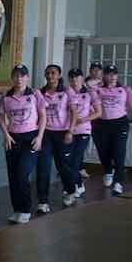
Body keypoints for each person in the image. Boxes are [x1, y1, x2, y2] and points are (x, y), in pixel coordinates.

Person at [0, 64, 45, 224]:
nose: (19, 79)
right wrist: (5, 135)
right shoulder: (6, 96)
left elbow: (43, 116)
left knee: (22, 174)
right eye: (16, 75)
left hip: (30, 137)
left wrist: (39, 137)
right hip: (12, 138)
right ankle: (17, 209)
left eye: (22, 75)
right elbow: (1, 118)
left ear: (27, 77)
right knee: (13, 176)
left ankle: (26, 209)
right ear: (12, 78)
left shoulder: (35, 94)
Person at [92, 63, 132, 194]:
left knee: (119, 153)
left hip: (120, 124)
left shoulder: (125, 89)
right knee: (104, 153)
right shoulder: (97, 89)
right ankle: (108, 171)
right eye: (109, 74)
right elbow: (88, 88)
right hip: (101, 124)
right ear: (104, 76)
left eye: (114, 73)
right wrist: (97, 81)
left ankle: (118, 182)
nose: (112, 76)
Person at [36, 64, 77, 212]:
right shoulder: (40, 92)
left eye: (53, 73)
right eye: (47, 73)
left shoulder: (67, 91)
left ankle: (71, 189)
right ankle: (43, 201)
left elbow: (73, 112)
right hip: (46, 133)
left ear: (59, 75)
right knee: (43, 167)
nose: (50, 76)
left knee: (63, 166)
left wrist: (70, 131)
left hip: (62, 132)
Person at [67, 68, 101, 197]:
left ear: (82, 78)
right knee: (69, 161)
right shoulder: (66, 93)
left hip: (83, 130)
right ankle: (79, 184)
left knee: (75, 160)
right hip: (68, 130)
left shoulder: (90, 93)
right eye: (72, 77)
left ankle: (75, 187)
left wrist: (83, 119)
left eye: (77, 77)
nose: (75, 80)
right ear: (69, 79)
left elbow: (98, 112)